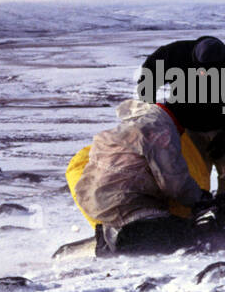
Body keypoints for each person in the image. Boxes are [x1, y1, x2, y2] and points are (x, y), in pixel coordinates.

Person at [73, 98, 213, 254]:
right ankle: (128, 240)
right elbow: (174, 183)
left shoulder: (141, 121)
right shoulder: (161, 130)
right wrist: (200, 199)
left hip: (102, 206)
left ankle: (111, 239)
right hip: (131, 210)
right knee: (201, 237)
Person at [137, 36, 225, 199]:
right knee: (191, 177)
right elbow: (147, 79)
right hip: (187, 126)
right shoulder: (173, 54)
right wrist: (152, 114)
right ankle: (198, 212)